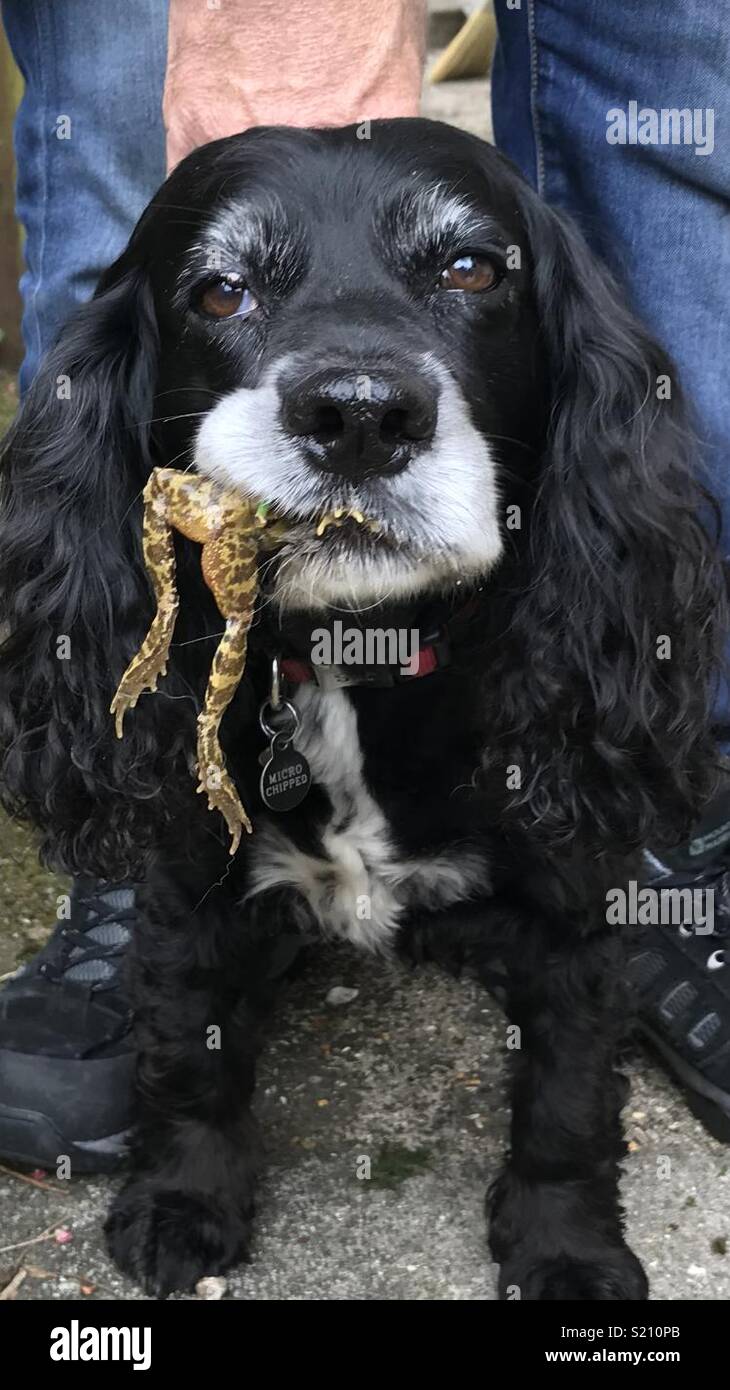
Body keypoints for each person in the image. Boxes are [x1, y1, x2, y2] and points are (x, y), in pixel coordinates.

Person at [0, 0, 728, 1172]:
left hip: (503, 663)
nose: (357, 397)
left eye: (464, 270)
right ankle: (134, 817)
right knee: (118, 119)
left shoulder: (573, 397)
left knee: (674, 111)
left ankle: (627, 790)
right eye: (229, 293)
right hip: (212, 645)